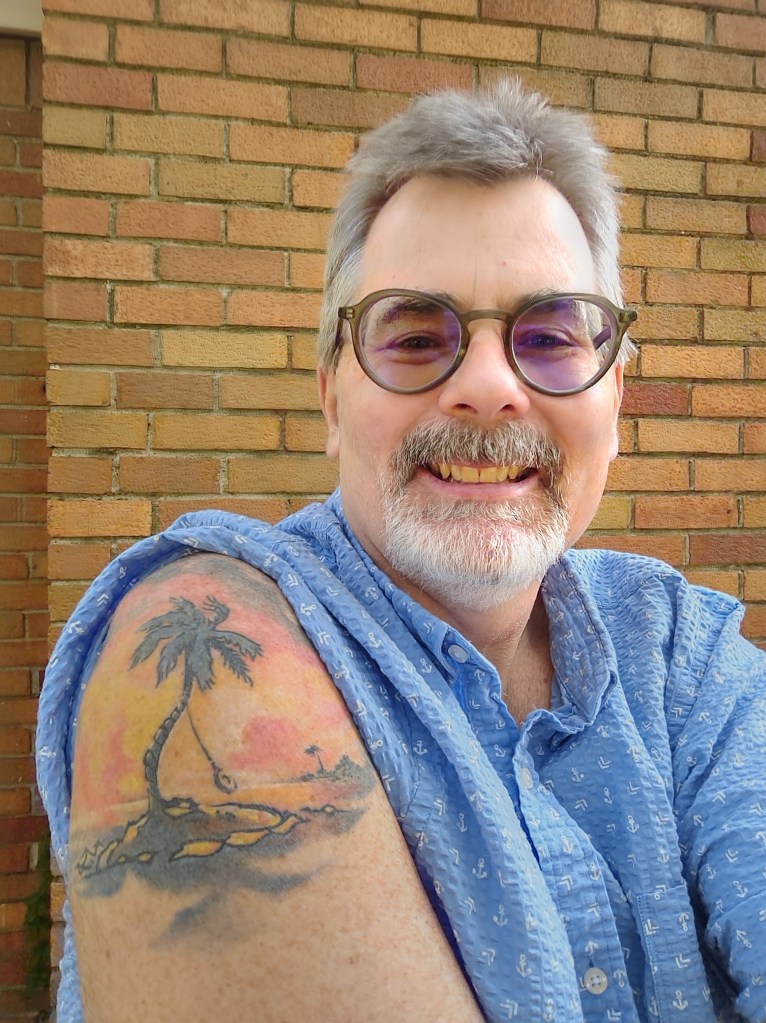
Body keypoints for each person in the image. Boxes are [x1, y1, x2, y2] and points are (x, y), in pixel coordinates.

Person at [37, 79, 765, 1023]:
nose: (490, 386)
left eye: (549, 335)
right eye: (417, 335)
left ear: (614, 401)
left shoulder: (682, 657)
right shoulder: (213, 630)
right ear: (332, 397)